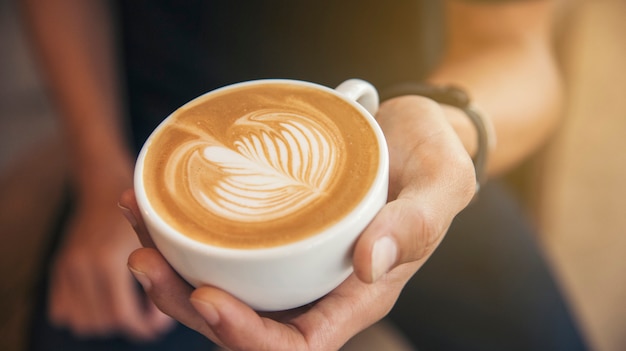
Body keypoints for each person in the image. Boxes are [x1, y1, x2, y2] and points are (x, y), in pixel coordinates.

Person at [21, 0, 587, 350]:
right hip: (162, 161)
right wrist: (99, 171)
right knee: (95, 318)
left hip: (398, 150)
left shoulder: (414, 145)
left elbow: (518, 54)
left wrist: (447, 125)